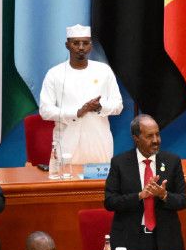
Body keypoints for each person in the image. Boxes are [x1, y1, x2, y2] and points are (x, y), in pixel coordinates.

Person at [103, 115, 186, 250]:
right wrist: (139, 196)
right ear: (136, 138)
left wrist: (164, 195)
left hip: (166, 240)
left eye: (157, 134)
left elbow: (183, 201)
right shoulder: (120, 163)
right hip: (129, 239)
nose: (156, 140)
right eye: (149, 136)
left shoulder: (172, 161)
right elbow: (110, 202)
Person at [39, 25, 123, 165]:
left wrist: (99, 107)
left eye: (85, 43)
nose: (81, 47)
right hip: (67, 141)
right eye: (76, 43)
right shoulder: (55, 74)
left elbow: (118, 105)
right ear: (67, 45)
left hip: (99, 140)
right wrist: (77, 112)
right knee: (66, 184)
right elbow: (45, 111)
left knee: (99, 184)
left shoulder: (104, 71)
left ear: (91, 45)